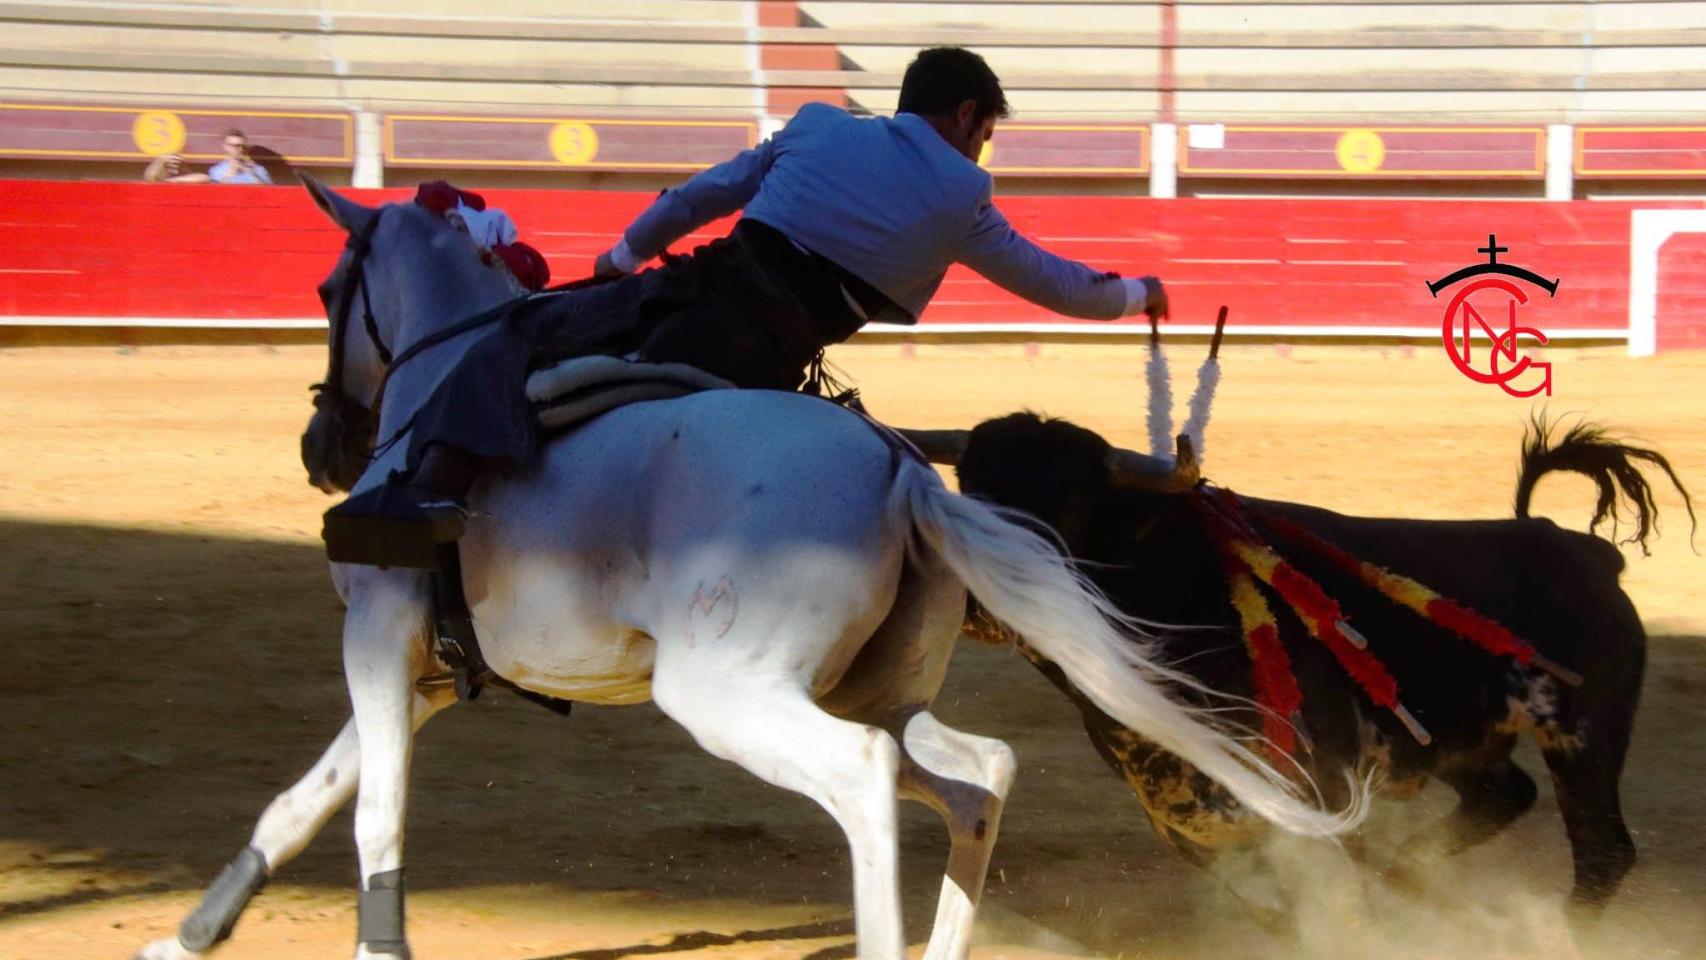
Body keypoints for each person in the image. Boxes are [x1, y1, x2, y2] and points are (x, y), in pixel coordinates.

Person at [322, 46, 1170, 569]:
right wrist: (1137, 295)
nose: (983, 146)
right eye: (986, 131)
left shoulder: (818, 125)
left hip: (695, 306)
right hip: (772, 364)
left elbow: (707, 194)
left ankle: (431, 493)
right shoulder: (965, 197)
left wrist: (623, 254)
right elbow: (1054, 281)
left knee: (513, 335)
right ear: (965, 112)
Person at [207, 129, 272, 185]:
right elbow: (215, 194)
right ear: (225, 147)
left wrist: (253, 175)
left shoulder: (258, 169)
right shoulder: (217, 171)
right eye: (234, 146)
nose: (239, 149)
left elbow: (270, 193)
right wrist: (227, 177)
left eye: (242, 146)